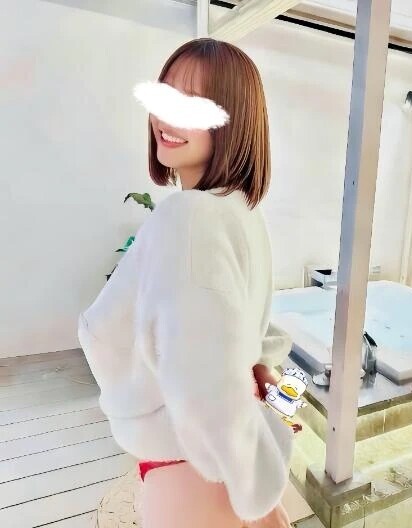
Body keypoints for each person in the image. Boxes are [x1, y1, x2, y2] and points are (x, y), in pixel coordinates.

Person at [78, 38, 296, 527]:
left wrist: (256, 487)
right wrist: (264, 439)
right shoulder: (240, 212)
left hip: (190, 473)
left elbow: (204, 382)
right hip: (218, 467)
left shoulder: (190, 217)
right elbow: (253, 331)